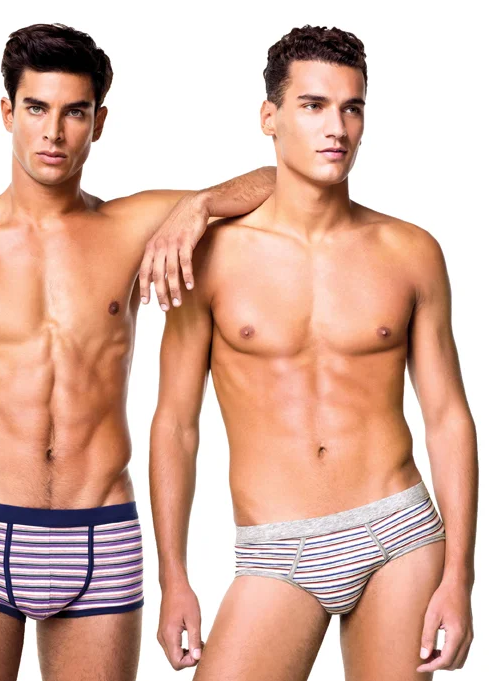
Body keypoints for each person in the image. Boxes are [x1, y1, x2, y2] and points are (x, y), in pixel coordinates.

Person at [0, 23, 276, 681]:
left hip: (102, 533)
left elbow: (281, 182)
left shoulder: (131, 226)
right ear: (8, 113)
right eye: (36, 108)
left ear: (99, 122)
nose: (54, 133)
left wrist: (199, 207)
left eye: (74, 112)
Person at [151, 25, 477, 680]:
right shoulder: (210, 257)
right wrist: (174, 578)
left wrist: (460, 577)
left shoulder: (411, 251)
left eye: (352, 108)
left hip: (399, 533)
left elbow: (447, 418)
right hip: (276, 548)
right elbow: (175, 425)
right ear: (269, 117)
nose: (337, 128)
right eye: (313, 105)